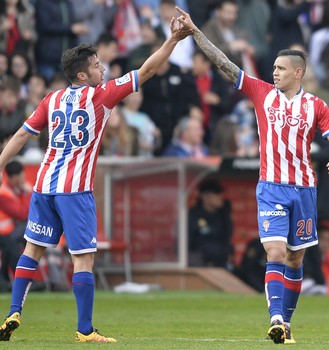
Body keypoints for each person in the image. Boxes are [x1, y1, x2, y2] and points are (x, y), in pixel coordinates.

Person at [0, 17, 192, 343]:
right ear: (82, 75)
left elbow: (21, 134)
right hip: (75, 191)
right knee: (83, 259)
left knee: (32, 251)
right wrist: (173, 40)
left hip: (44, 185)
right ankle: (85, 330)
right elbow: (146, 71)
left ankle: (13, 310)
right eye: (97, 65)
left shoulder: (51, 100)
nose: (102, 69)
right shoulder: (101, 96)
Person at [176, 6, 329, 345]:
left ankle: (286, 321)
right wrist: (196, 32)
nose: (275, 73)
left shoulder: (316, 106)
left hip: (304, 190)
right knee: (275, 252)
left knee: (296, 258)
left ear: (298, 72)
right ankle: (274, 318)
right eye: (273, 68)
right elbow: (224, 63)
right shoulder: (261, 94)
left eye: (281, 68)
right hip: (270, 188)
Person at [0, 160, 31, 291]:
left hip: (8, 233)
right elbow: (22, 214)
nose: (23, 179)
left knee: (12, 243)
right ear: (13, 177)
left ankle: (6, 280)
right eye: (21, 176)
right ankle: (22, 281)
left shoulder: (14, 190)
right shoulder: (4, 192)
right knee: (13, 241)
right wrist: (26, 194)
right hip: (4, 232)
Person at [188, 179, 233, 268]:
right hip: (199, 267)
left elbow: (226, 239)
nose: (221, 197)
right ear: (205, 196)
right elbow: (188, 246)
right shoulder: (193, 216)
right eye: (216, 193)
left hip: (221, 265)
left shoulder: (223, 215)